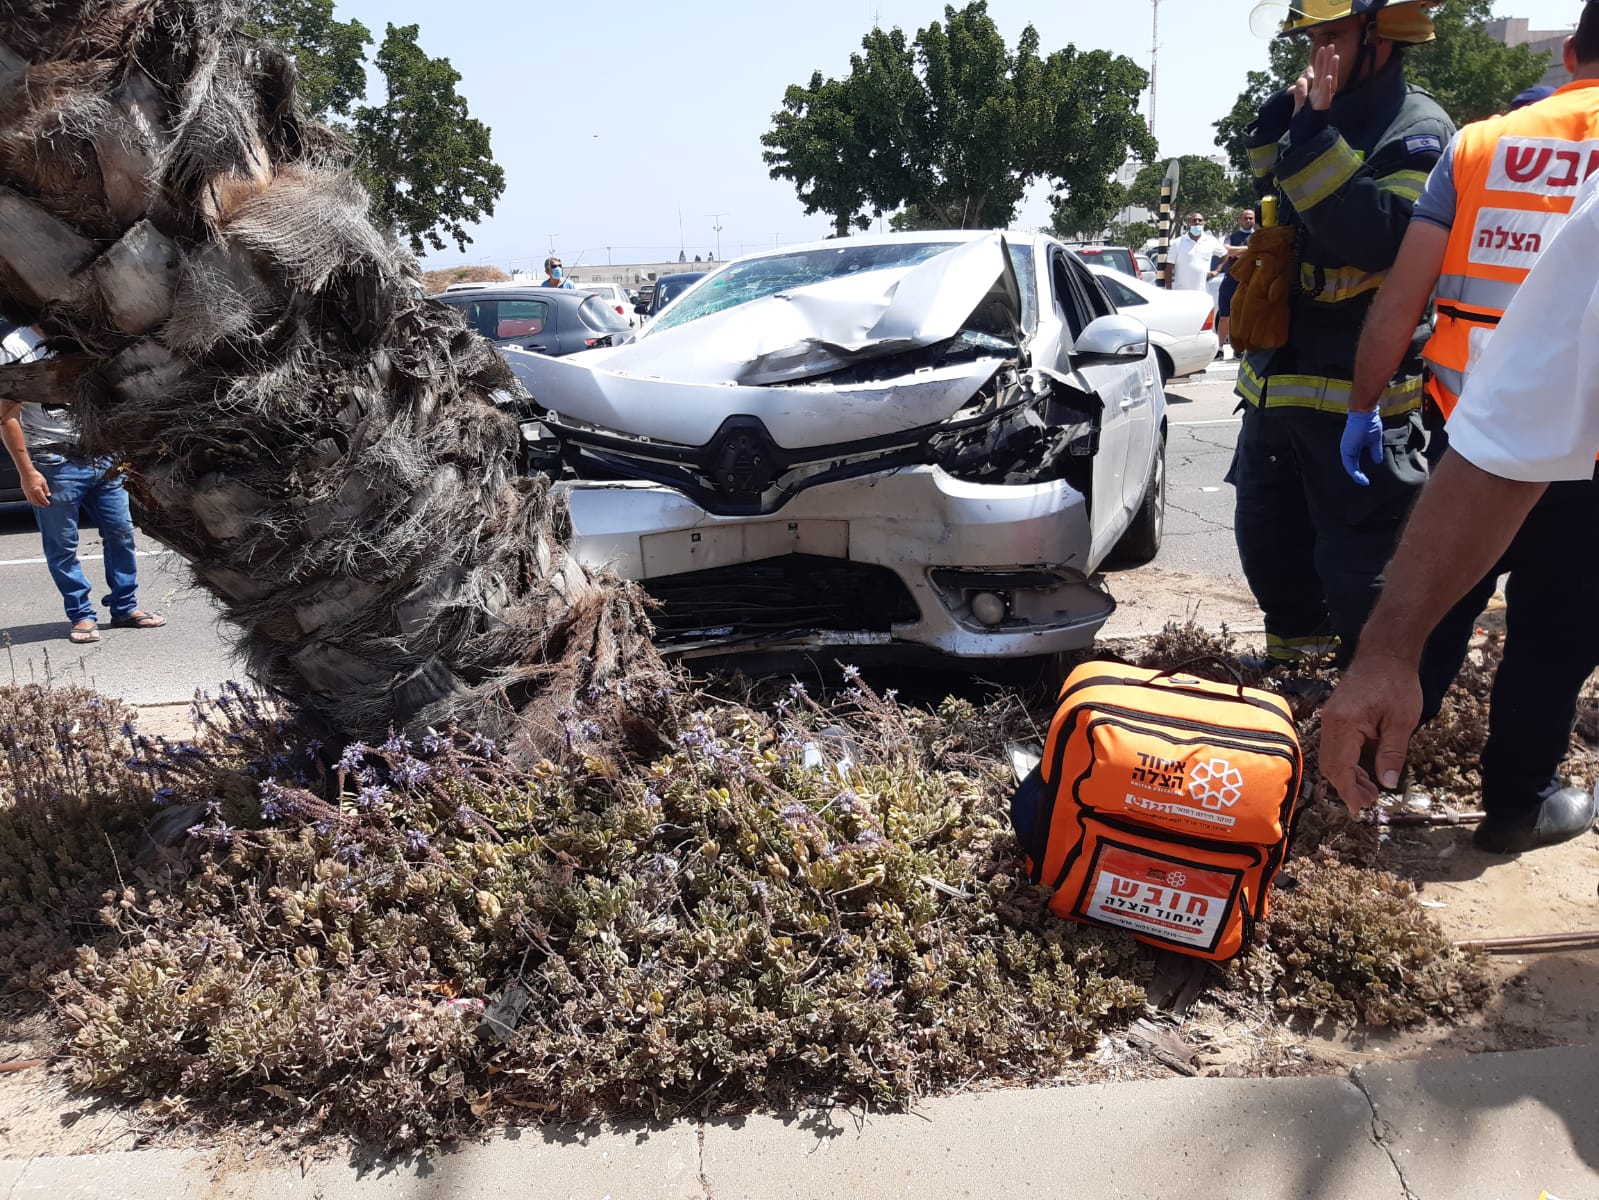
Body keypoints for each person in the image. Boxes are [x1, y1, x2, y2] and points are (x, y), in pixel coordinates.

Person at [1341, 8, 1599, 852]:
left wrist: (1362, 405)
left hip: (1471, 437)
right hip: (1590, 465)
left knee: (1430, 612)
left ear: (1568, 54)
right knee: (1553, 641)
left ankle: (1364, 782)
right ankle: (1516, 805)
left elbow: (1400, 303)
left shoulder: (1481, 145)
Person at [1229, 0, 1454, 667]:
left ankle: (1364, 692)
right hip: (1278, 389)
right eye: (1312, 39)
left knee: (1358, 570)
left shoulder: (1418, 131)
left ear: (1377, 39)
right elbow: (1277, 191)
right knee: (1271, 550)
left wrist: (1315, 134)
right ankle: (1296, 679)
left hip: (1357, 399)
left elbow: (1375, 237)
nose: (1315, 55)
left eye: (1330, 37)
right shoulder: (1317, 115)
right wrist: (1288, 125)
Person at [0, 323, 165, 644]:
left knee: (120, 533)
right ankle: (82, 615)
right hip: (52, 461)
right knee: (62, 547)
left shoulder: (83, 332)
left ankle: (125, 607)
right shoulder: (16, 346)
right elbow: (7, 416)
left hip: (103, 455)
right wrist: (27, 472)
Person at [1215, 208, 1256, 353]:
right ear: (1240, 220)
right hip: (1231, 280)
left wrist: (1237, 252)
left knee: (1246, 316)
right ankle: (1219, 348)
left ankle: (1241, 348)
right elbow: (1227, 251)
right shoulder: (1232, 236)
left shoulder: (1258, 237)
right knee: (1225, 315)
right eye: (1245, 218)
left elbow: (1258, 251)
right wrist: (1248, 250)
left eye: (1251, 218)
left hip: (1249, 281)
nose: (1248, 221)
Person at [1170, 212, 1229, 294]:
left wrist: (1216, 271)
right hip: (1181, 293)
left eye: (1200, 220)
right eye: (1194, 220)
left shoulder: (1210, 241)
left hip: (1202, 292)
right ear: (1189, 223)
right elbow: (1169, 268)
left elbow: (1225, 255)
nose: (1197, 222)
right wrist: (1169, 291)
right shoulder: (1178, 242)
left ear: (1203, 223)